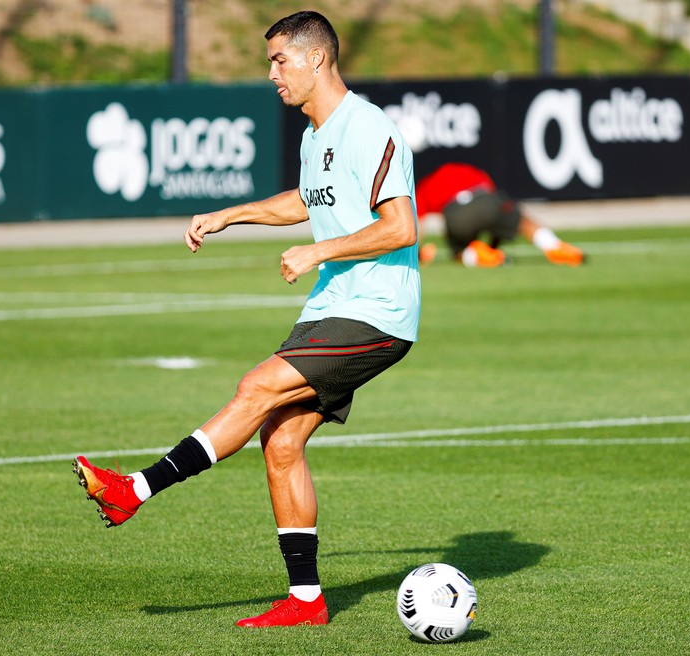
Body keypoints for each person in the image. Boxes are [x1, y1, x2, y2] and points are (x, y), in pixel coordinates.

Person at [73, 11, 420, 629]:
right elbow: (306, 200)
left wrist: (319, 250)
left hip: (375, 312)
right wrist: (230, 215)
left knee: (256, 387)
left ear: (317, 59)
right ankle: (308, 602)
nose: (272, 74)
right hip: (334, 306)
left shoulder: (368, 127)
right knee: (281, 440)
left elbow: (401, 225)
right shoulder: (316, 133)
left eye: (280, 60)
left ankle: (133, 492)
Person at [414, 162, 585, 267]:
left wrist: (418, 254)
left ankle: (479, 257)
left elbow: (417, 224)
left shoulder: (426, 184)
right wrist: (494, 243)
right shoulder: (471, 172)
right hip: (487, 200)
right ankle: (555, 246)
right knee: (522, 222)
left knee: (458, 252)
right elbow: (495, 210)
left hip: (456, 215)